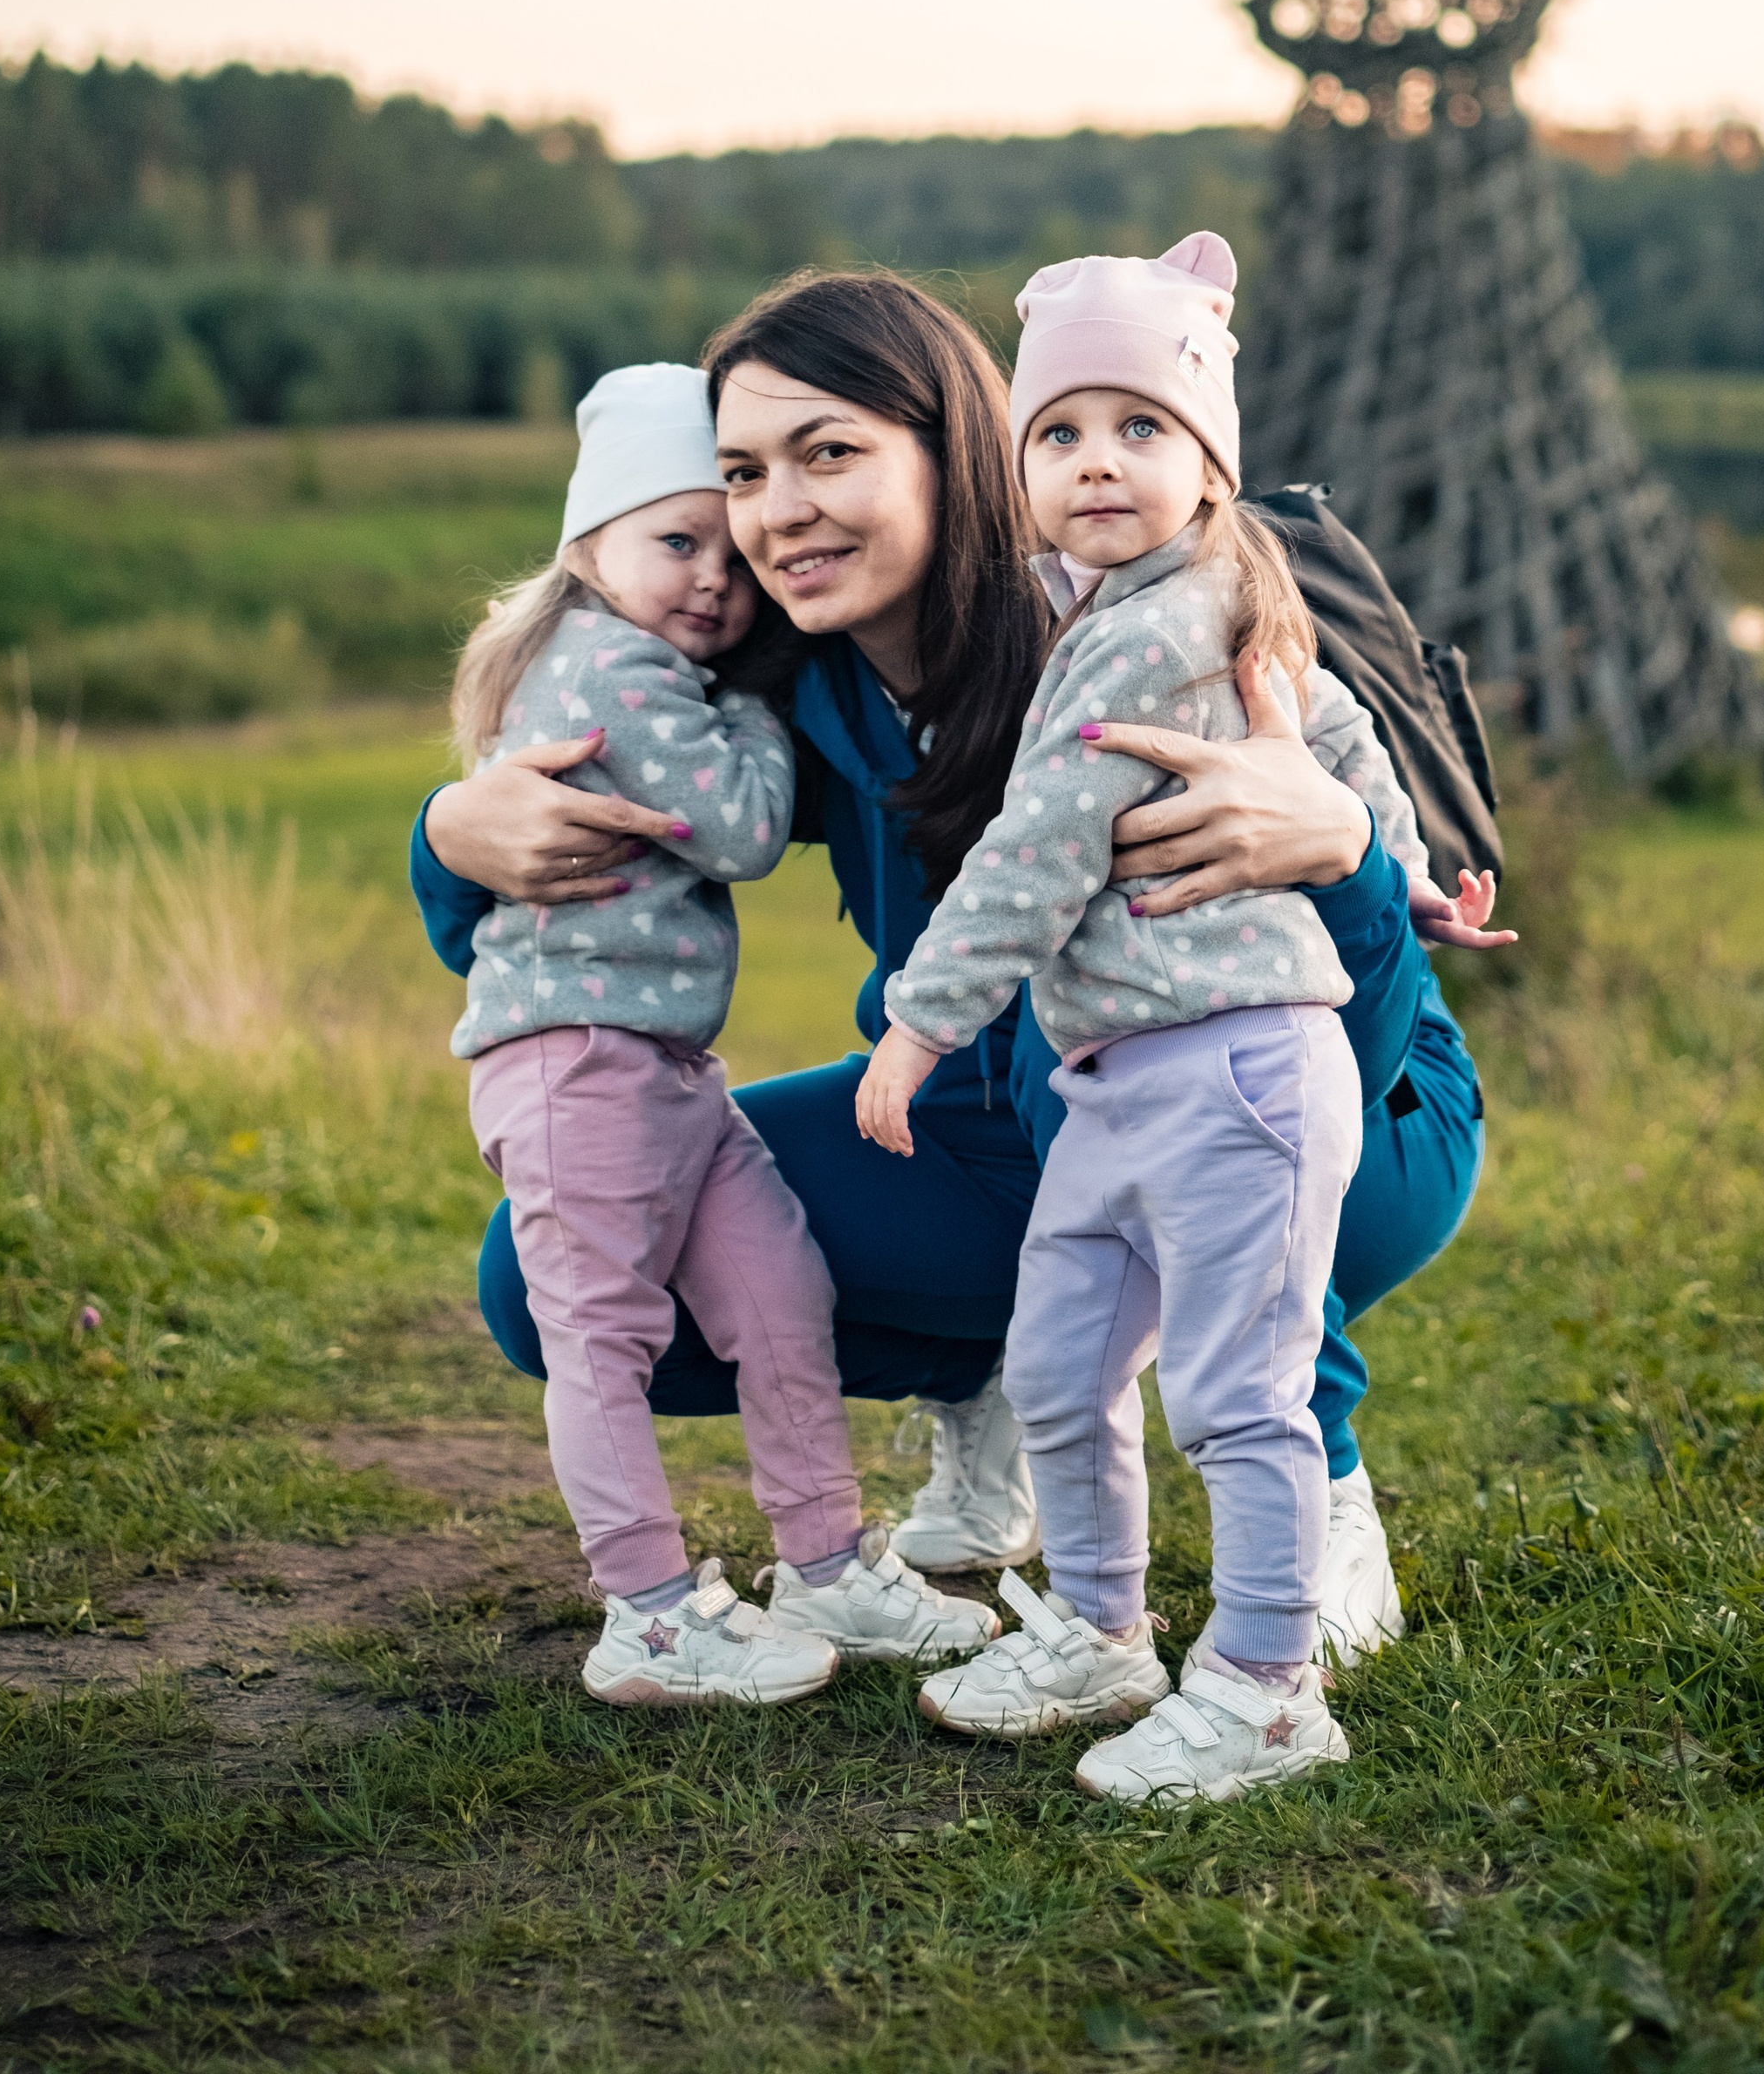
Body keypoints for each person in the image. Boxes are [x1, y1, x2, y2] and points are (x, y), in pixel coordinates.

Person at [410, 270, 1495, 1659]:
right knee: (552, 1276)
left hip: (1353, 1106)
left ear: (958, 449)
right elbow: (554, 918)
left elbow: (1357, 1027)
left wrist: (1343, 846)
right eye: (743, 470)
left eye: (832, 452)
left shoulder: (1119, 644)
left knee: (1125, 1083)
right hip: (996, 1116)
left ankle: (1326, 1491)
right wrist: (454, 834)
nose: (778, 508)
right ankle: (1000, 1390)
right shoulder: (803, 689)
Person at [857, 236, 1496, 1804]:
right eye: (1060, 434)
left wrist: (921, 1025)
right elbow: (1339, 723)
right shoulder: (1115, 599)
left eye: (1142, 429)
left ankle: (1270, 1687)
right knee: (1065, 1365)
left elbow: (1037, 849)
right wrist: (1406, 860)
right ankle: (1098, 1627)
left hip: (1239, 1070)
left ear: (1211, 459)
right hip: (1120, 1075)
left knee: (1233, 1390)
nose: (1096, 464)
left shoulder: (1155, 623)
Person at [444, 359, 994, 1710]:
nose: (715, 581)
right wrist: (764, 693)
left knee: (780, 1292)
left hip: (670, 1065)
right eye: (675, 542)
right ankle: (647, 1611)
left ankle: (824, 1561)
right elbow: (747, 828)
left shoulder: (647, 662)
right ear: (591, 549)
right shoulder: (612, 671)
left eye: (726, 552)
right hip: (580, 1064)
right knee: (604, 1336)